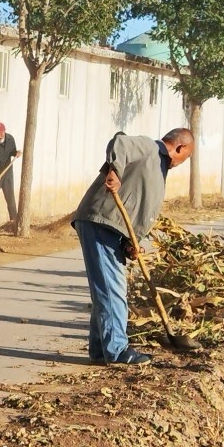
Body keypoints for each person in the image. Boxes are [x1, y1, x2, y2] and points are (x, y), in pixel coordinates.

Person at [72, 127, 194, 365]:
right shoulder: (150, 148)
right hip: (101, 221)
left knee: (106, 287)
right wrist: (115, 171)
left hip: (113, 228)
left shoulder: (158, 166)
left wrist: (132, 243)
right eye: (185, 158)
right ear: (180, 148)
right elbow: (120, 142)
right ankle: (117, 351)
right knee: (112, 288)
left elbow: (136, 205)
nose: (181, 164)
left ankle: (100, 350)